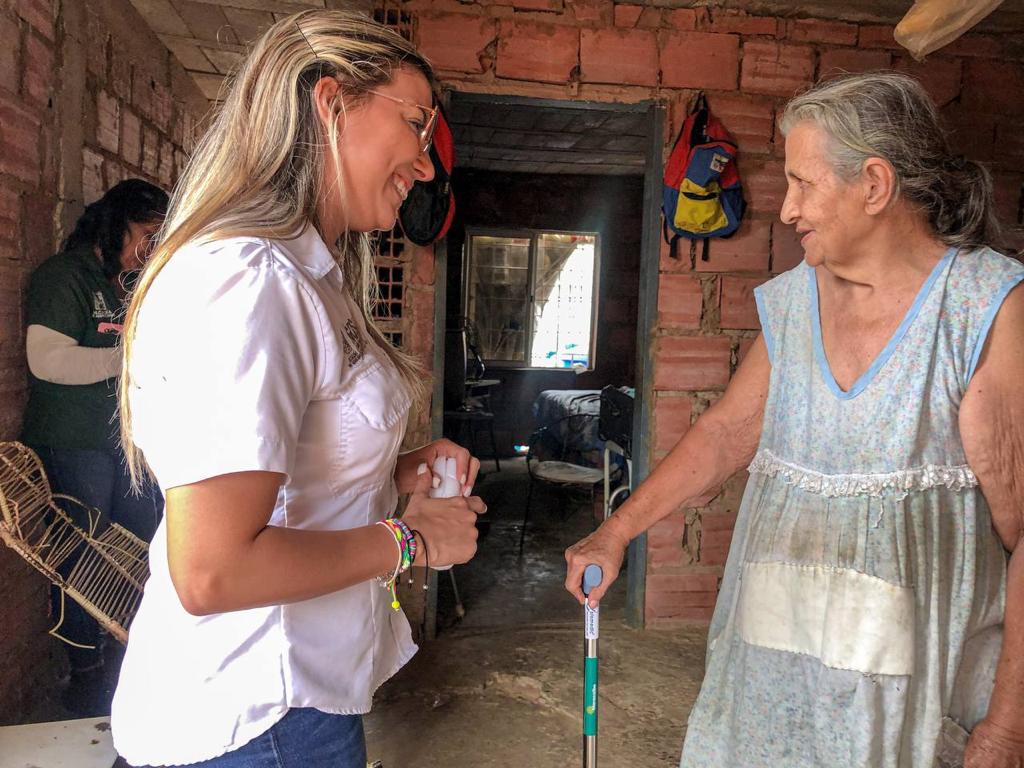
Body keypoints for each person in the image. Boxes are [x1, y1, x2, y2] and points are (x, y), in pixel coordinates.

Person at [565, 72, 1024, 768]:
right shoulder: (793, 302)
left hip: (903, 707)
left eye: (803, 183)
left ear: (874, 184)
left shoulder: (981, 308)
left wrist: (1009, 727)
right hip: (773, 678)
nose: (787, 210)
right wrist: (615, 532)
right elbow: (726, 432)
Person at [110, 10, 486, 768]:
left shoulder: (307, 275)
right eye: (416, 124)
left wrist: (396, 472)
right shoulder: (250, 282)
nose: (424, 165)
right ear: (332, 101)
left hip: (297, 700)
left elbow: (295, 476)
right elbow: (215, 571)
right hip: (256, 717)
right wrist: (409, 541)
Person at [21, 178, 167, 714]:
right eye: (146, 234)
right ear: (115, 225)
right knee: (81, 554)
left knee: (135, 545)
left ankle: (129, 654)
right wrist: (129, 358)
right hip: (74, 441)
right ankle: (84, 671)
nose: (150, 248)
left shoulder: (127, 283)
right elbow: (48, 361)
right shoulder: (64, 277)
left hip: (125, 445)